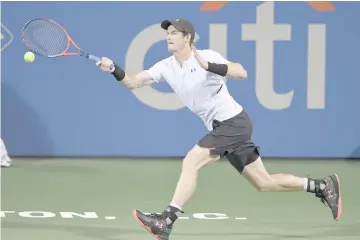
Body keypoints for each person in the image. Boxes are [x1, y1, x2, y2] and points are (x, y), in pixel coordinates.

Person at [96, 18, 342, 240]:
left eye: (174, 32)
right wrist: (113, 69)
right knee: (263, 182)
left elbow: (241, 72)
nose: (168, 36)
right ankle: (322, 186)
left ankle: (166, 221)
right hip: (228, 126)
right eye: (167, 33)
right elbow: (134, 82)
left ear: (188, 38)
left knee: (192, 160)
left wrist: (211, 67)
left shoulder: (206, 56)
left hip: (233, 122)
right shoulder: (166, 66)